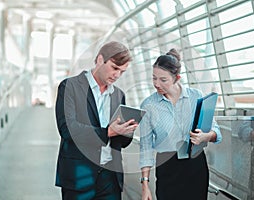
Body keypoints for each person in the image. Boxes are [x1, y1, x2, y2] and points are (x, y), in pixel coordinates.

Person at [55, 41, 139, 200]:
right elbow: (67, 129)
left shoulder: (118, 94)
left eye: (122, 72)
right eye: (115, 68)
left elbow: (121, 143)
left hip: (110, 178)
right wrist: (109, 131)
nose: (117, 75)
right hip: (79, 175)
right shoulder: (70, 86)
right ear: (100, 60)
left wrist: (127, 130)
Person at [139, 49, 222, 200]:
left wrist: (205, 136)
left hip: (195, 166)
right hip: (167, 169)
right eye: (154, 78)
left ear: (177, 78)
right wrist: (145, 185)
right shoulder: (148, 105)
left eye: (163, 80)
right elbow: (145, 147)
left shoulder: (195, 96)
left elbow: (216, 132)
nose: (157, 84)